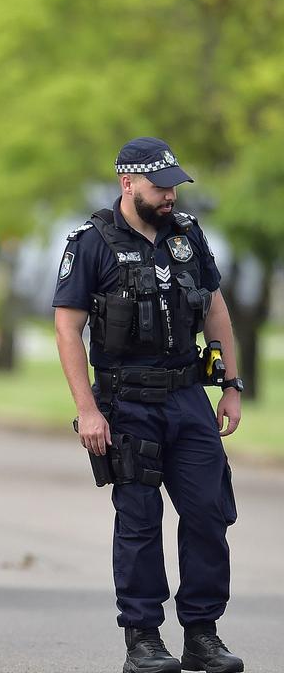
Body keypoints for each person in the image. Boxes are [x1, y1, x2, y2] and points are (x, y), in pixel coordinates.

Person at [53, 137, 244, 673]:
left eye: (174, 186)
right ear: (127, 183)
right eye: (160, 187)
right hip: (126, 403)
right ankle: (143, 640)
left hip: (188, 399)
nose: (170, 196)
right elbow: (68, 329)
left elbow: (215, 309)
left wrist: (231, 384)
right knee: (139, 521)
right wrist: (87, 410)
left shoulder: (186, 236)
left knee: (208, 514)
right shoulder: (90, 243)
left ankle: (203, 636)